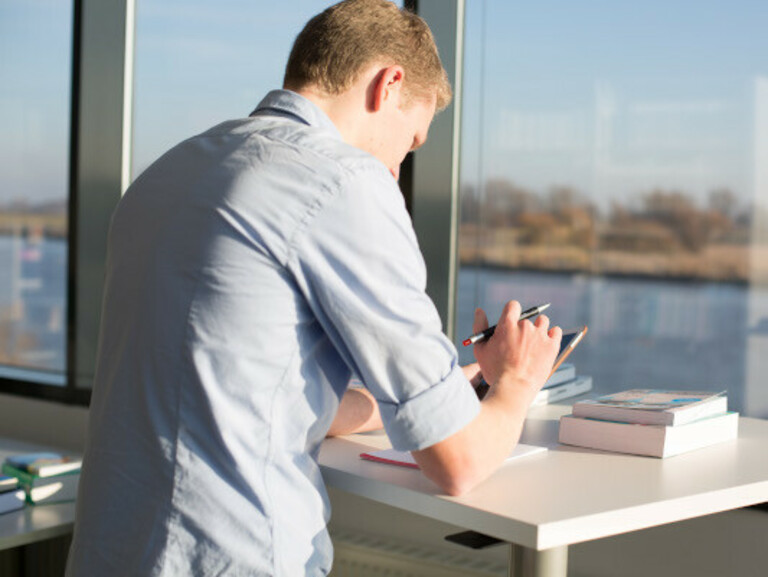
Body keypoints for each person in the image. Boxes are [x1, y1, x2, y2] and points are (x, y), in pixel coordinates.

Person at [65, 0, 562, 575]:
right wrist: (518, 381)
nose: (398, 169)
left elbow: (247, 392)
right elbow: (459, 462)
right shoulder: (344, 181)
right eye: (412, 141)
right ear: (389, 83)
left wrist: (432, 391)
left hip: (110, 551)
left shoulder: (169, 172)